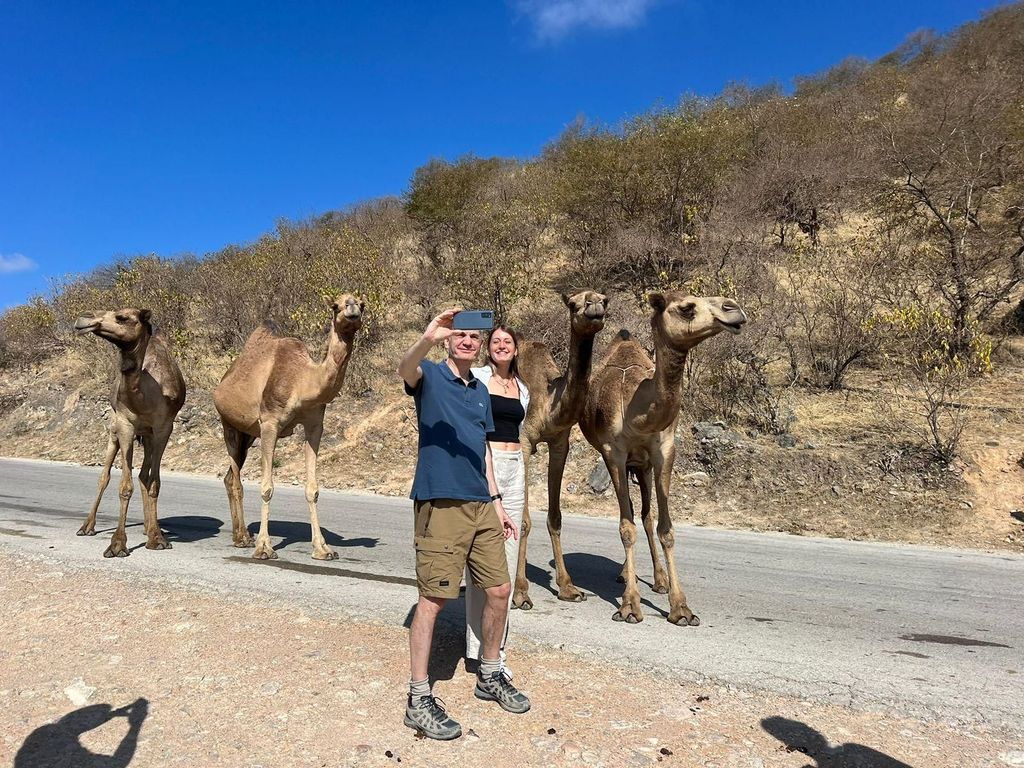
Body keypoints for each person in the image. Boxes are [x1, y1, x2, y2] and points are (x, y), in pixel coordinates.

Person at [397, 308, 531, 741]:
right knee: (433, 600)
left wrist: (498, 503)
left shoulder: (480, 392)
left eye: (475, 336)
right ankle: (419, 699)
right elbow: (405, 368)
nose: (468, 341)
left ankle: (489, 673)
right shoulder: (431, 378)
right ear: (450, 341)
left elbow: (483, 452)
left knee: (500, 589)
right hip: (442, 504)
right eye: (461, 335)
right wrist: (429, 335)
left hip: (481, 504)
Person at [466, 325, 529, 678]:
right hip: (484, 467)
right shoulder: (476, 378)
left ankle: (497, 647)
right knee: (481, 560)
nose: (501, 345)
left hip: (515, 469)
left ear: (516, 349)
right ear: (488, 349)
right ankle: (478, 649)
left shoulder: (523, 389)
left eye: (508, 342)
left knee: (508, 554)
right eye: (496, 341)